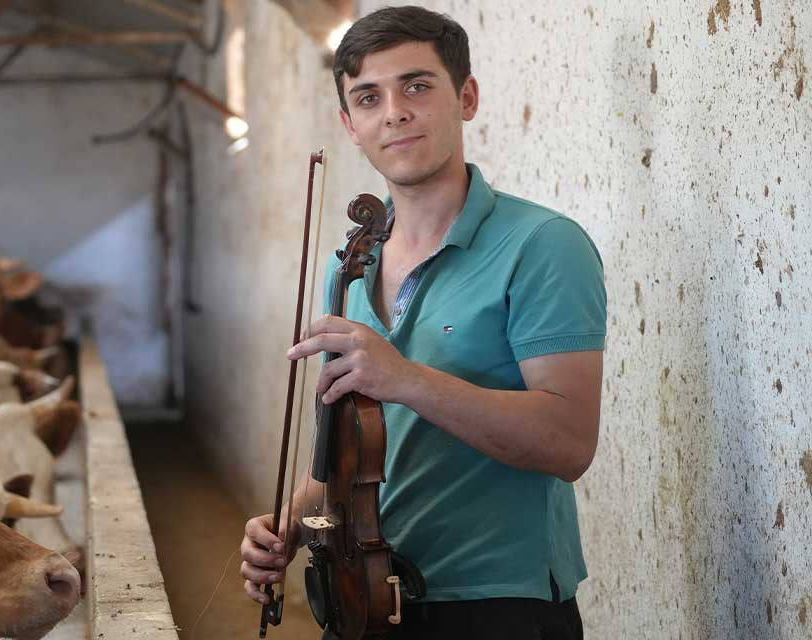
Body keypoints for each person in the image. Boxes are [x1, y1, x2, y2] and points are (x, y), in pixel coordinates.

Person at [239, 5, 607, 639]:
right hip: (363, 597)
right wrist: (290, 525)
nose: (395, 112)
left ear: (465, 97)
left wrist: (405, 378)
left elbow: (569, 444)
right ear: (349, 124)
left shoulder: (543, 244)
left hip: (496, 606)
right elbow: (345, 460)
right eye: (368, 97)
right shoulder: (350, 267)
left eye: (416, 86)